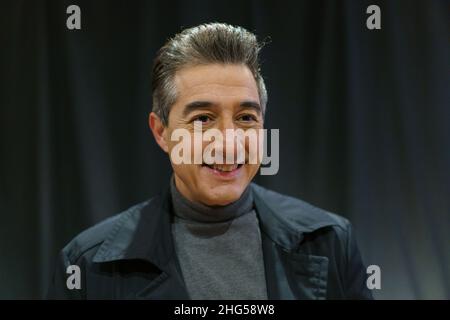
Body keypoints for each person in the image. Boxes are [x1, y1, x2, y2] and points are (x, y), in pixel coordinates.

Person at [47, 23, 372, 300]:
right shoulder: (87, 265)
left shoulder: (331, 243)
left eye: (246, 117)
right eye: (203, 118)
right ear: (161, 132)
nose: (228, 142)